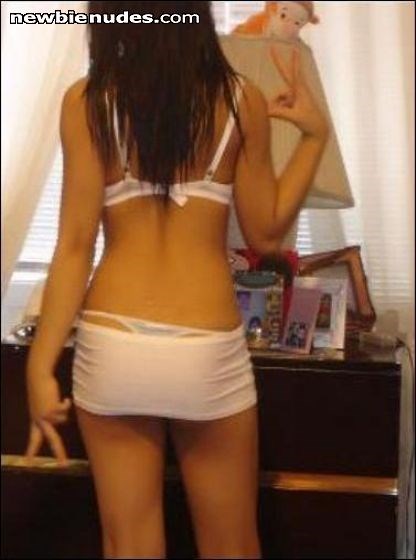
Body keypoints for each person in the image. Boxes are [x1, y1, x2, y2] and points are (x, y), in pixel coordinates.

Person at [24, 2, 329, 558]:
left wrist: (40, 366)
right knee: (231, 546)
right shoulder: (240, 101)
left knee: (130, 545)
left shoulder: (87, 102)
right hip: (205, 347)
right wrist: (314, 138)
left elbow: (73, 247)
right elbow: (265, 235)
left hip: (113, 343)